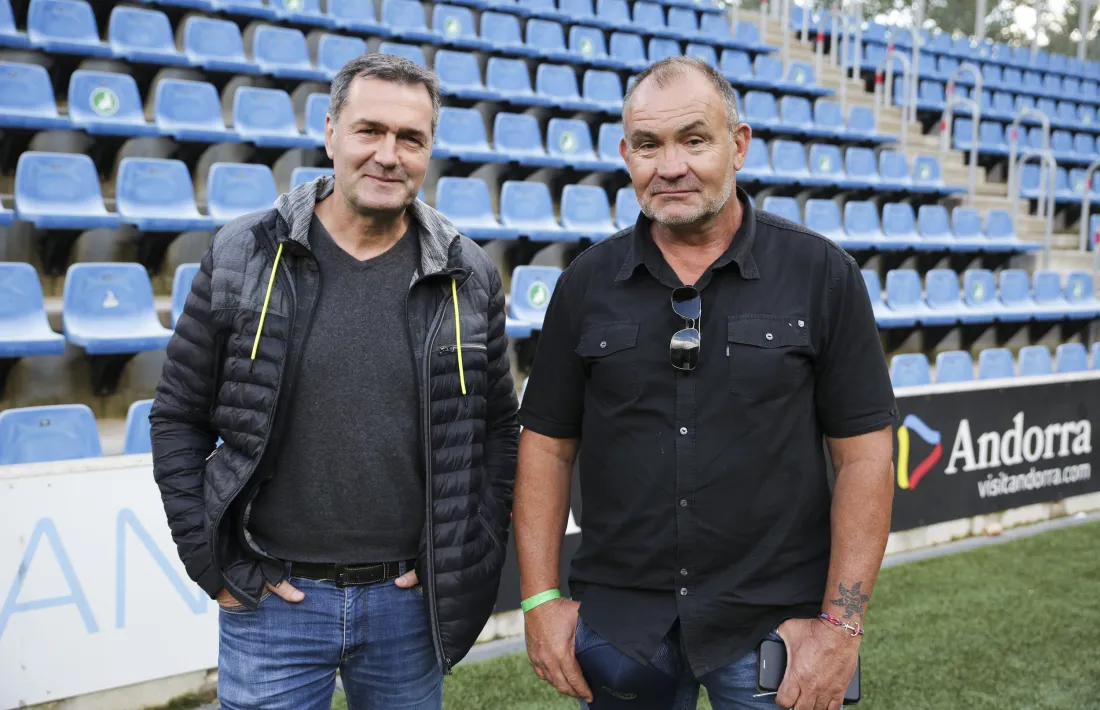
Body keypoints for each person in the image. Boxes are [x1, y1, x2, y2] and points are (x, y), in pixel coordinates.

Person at [514, 56, 898, 710]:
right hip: (620, 628)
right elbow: (547, 445)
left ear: (738, 144)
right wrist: (541, 601)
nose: (670, 166)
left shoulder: (821, 273)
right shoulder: (585, 282)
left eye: (694, 139)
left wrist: (842, 625)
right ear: (624, 154)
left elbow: (865, 455)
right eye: (648, 145)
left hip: (774, 624)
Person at [150, 54, 519, 710]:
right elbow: (177, 413)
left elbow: (495, 433)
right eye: (368, 130)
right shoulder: (245, 253)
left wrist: (467, 556)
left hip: (408, 605)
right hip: (272, 603)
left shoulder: (470, 274)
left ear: (429, 149)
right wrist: (213, 563)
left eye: (411, 138)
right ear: (329, 132)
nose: (388, 154)